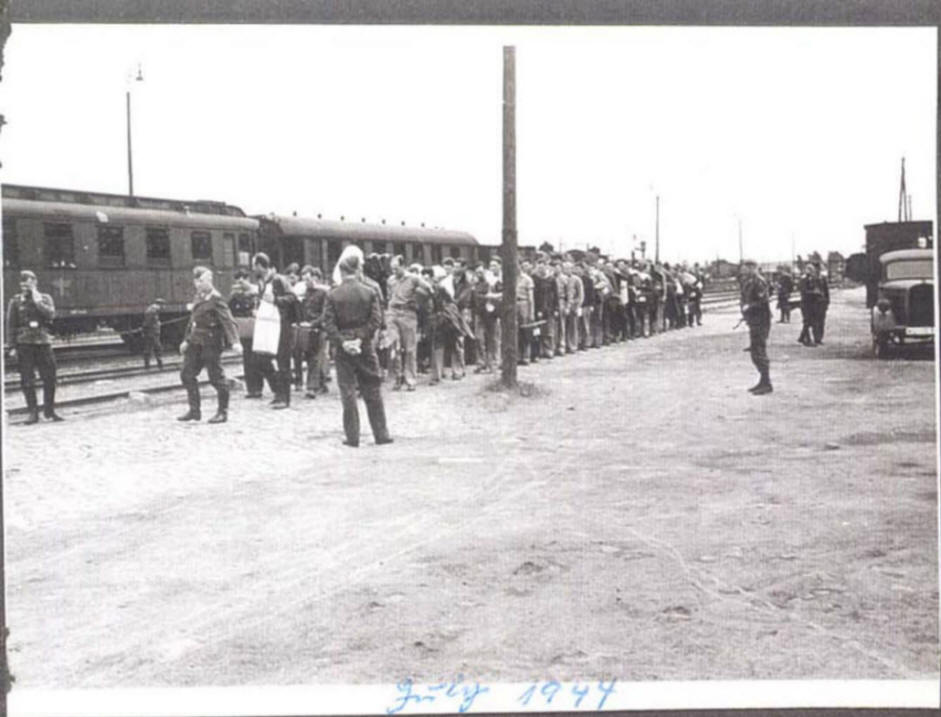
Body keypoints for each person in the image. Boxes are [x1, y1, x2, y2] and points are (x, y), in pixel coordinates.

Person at [322, 246, 393, 448]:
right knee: (372, 389)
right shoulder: (369, 292)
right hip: (365, 348)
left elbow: (329, 324)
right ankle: (381, 434)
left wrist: (344, 342)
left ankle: (352, 437)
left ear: (343, 271)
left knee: (348, 392)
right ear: (357, 270)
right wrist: (360, 339)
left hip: (344, 350)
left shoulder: (333, 295)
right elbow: (376, 321)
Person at [178, 266, 242, 423]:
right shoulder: (198, 297)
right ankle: (194, 411)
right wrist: (186, 340)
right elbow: (193, 321)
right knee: (187, 374)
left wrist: (235, 342)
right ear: (197, 282)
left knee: (216, 378)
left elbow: (227, 320)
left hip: (211, 342)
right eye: (206, 280)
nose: (210, 283)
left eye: (210, 280)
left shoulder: (216, 298)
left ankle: (223, 412)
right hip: (195, 342)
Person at [5, 269, 63, 423]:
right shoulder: (15, 301)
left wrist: (38, 301)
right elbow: (10, 325)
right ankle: (33, 413)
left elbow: (51, 315)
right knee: (27, 380)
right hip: (25, 344)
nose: (26, 287)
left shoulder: (45, 298)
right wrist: (11, 346)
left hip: (43, 342)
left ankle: (49, 412)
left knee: (50, 378)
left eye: (29, 283)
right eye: (23, 284)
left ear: (35, 282)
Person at [252, 252, 299, 408]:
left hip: (282, 326)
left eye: (254, 265)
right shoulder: (263, 281)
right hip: (269, 326)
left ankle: (285, 398)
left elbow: (293, 297)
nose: (253, 269)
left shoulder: (279, 279)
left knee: (283, 362)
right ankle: (278, 392)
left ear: (260, 266)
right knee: (263, 359)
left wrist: (276, 301)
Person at [385, 255, 432, 390]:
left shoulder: (413, 279)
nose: (394, 272)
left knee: (410, 348)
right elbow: (390, 295)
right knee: (395, 346)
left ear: (404, 266)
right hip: (393, 313)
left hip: (408, 314)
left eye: (396, 268)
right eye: (392, 269)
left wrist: (418, 301)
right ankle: (397, 378)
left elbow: (429, 289)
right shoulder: (391, 280)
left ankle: (410, 379)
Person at [228, 268, 267, 398]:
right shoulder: (234, 296)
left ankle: (258, 388)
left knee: (257, 360)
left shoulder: (255, 293)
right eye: (239, 279)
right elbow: (230, 311)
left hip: (256, 329)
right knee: (247, 361)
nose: (241, 282)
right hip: (244, 330)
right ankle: (252, 389)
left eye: (244, 278)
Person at [739, 259, 772, 395]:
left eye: (745, 267)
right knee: (755, 352)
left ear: (752, 267)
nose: (743, 269)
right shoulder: (748, 281)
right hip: (754, 320)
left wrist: (749, 307)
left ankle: (766, 383)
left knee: (759, 352)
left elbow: (762, 301)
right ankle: (763, 381)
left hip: (761, 320)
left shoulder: (759, 281)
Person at [141, 298, 165, 369]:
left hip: (151, 332)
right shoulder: (153, 311)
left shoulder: (151, 310)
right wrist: (156, 324)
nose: (163, 308)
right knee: (157, 348)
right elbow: (148, 323)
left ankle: (147, 365)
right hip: (153, 333)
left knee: (148, 349)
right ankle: (160, 365)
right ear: (160, 305)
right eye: (163, 306)